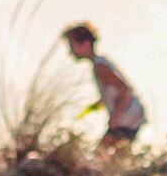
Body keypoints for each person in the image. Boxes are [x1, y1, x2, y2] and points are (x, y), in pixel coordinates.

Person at [61, 20, 147, 155]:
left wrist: (115, 118)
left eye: (73, 46)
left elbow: (125, 91)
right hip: (131, 116)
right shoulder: (100, 63)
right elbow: (113, 93)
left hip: (127, 117)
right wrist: (89, 110)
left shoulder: (100, 67)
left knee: (100, 154)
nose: (71, 51)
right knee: (117, 155)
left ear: (86, 44)